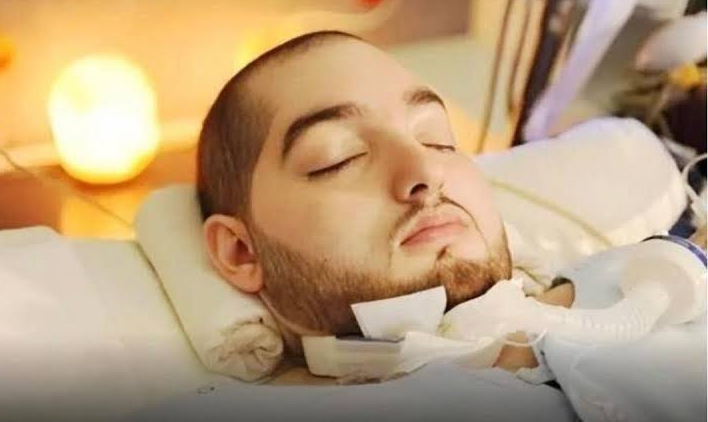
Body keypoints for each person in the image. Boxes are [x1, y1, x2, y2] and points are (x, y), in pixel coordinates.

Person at [196, 30, 573, 370]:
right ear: (241, 252)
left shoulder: (604, 286)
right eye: (339, 158)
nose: (426, 170)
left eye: (436, 139)